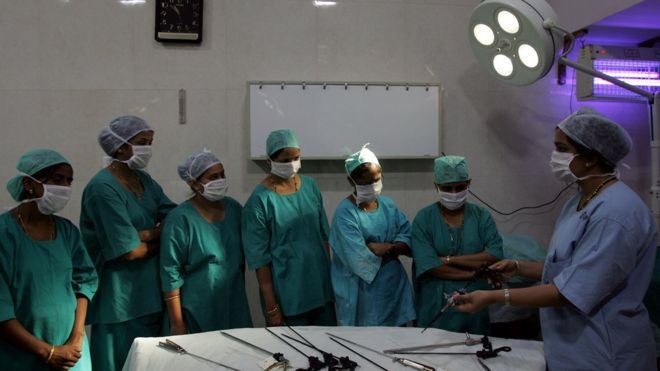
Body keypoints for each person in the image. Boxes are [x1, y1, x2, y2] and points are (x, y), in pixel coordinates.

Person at [453, 108, 657, 371]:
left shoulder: (615, 214)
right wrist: (517, 266)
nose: (554, 156)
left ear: (592, 158)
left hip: (605, 352)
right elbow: (571, 268)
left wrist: (495, 297)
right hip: (571, 347)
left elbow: (571, 292)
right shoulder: (579, 201)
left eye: (562, 149)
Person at [80, 116, 176, 371]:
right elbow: (130, 252)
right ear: (119, 147)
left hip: (150, 297)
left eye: (150, 142)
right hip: (118, 303)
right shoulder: (102, 189)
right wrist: (155, 235)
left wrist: (144, 235)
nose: (148, 149)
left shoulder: (143, 180)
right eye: (142, 142)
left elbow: (173, 218)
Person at [0, 149, 98, 371]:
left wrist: (77, 337)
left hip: (72, 356)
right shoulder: (4, 235)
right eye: (57, 179)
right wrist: (47, 352)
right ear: (29, 183)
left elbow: (85, 281)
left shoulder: (66, 231)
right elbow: (1, 310)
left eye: (68, 181)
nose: (64, 187)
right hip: (21, 356)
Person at [242, 129, 335, 326]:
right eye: (285, 160)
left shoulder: (310, 186)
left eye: (296, 158)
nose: (292, 164)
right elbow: (260, 261)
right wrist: (271, 307)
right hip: (288, 296)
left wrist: (329, 281)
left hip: (321, 289)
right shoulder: (260, 201)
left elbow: (323, 236)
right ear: (270, 161)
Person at [160, 150, 252, 335]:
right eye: (213, 177)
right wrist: (177, 323)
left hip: (234, 305)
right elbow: (170, 272)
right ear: (194, 183)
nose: (220, 180)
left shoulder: (234, 209)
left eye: (222, 174)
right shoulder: (180, 219)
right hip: (196, 310)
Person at [412, 155, 503, 334]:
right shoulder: (424, 219)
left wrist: (448, 260)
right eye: (447, 188)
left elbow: (495, 255)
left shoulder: (481, 216)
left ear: (468, 184)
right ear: (436, 186)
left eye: (460, 187)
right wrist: (471, 274)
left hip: (474, 300)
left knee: (475, 349)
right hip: (436, 301)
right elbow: (429, 265)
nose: (454, 193)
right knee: (433, 348)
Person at [329, 144, 415, 326]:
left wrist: (388, 248)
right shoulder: (345, 214)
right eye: (365, 183)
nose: (372, 186)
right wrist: (394, 250)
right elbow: (360, 260)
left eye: (376, 180)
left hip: (394, 290)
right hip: (363, 297)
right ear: (351, 180)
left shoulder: (388, 206)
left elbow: (408, 239)